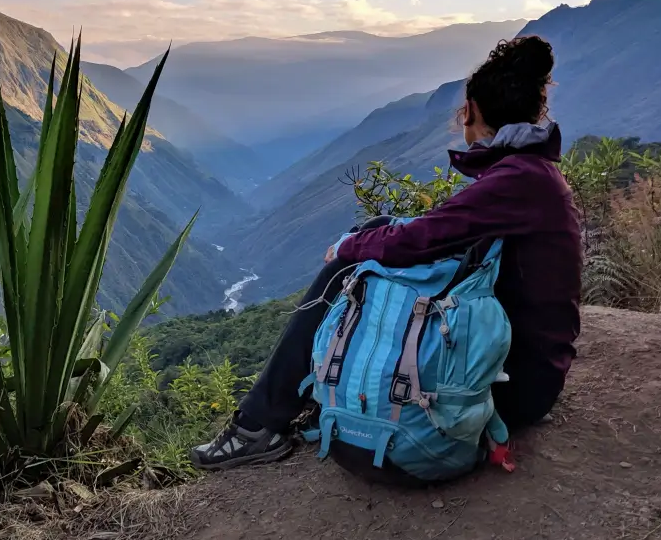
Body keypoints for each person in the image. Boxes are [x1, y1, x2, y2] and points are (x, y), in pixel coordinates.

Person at [190, 35, 583, 472]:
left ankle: (257, 424)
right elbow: (438, 234)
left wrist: (348, 246)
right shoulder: (529, 175)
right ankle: (310, 396)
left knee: (348, 265)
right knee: (376, 233)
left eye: (461, 113)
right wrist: (372, 235)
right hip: (521, 368)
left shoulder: (519, 181)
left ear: (471, 112)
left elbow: (422, 239)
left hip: (516, 384)